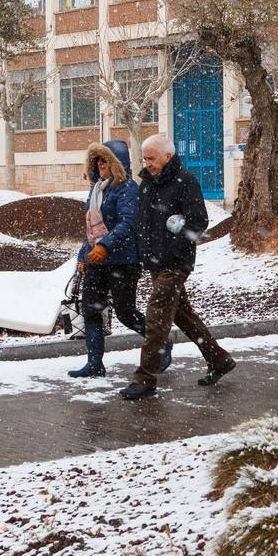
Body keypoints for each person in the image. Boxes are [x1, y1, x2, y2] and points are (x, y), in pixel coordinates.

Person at [120, 133, 235, 400]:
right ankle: (218, 359)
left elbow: (198, 222)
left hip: (175, 263)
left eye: (151, 158)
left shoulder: (185, 182)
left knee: (157, 316)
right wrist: (143, 253)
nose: (146, 163)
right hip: (155, 262)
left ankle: (145, 378)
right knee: (182, 314)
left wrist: (176, 244)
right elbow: (144, 223)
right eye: (144, 158)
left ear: (167, 157)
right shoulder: (147, 184)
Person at [68, 140, 170, 378]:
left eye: (105, 160)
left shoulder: (127, 189)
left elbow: (128, 223)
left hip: (124, 261)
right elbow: (90, 227)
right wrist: (84, 257)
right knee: (90, 309)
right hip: (97, 261)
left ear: (117, 163)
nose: (101, 165)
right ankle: (95, 363)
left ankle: (163, 345)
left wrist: (105, 246)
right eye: (98, 161)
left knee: (125, 313)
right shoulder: (96, 189)